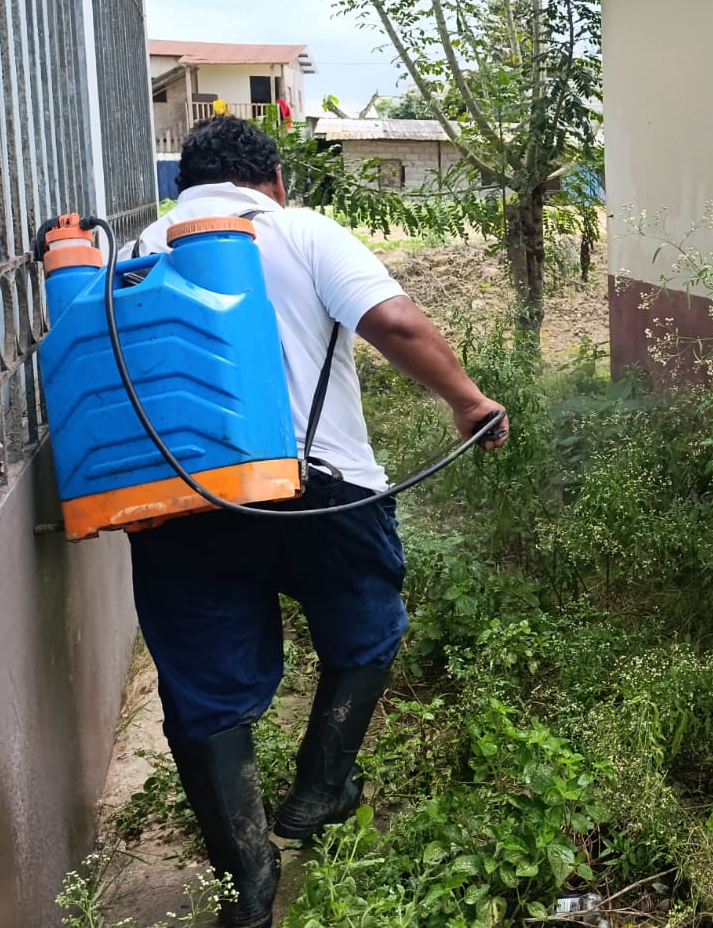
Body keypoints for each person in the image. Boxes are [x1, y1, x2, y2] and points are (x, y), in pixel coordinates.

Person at [122, 117, 508, 926]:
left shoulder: (135, 254)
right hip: (322, 492)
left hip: (186, 507)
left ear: (182, 185)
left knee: (204, 691)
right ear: (274, 181)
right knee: (367, 625)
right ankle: (321, 787)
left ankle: (247, 887)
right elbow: (395, 323)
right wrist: (469, 403)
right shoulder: (301, 232)